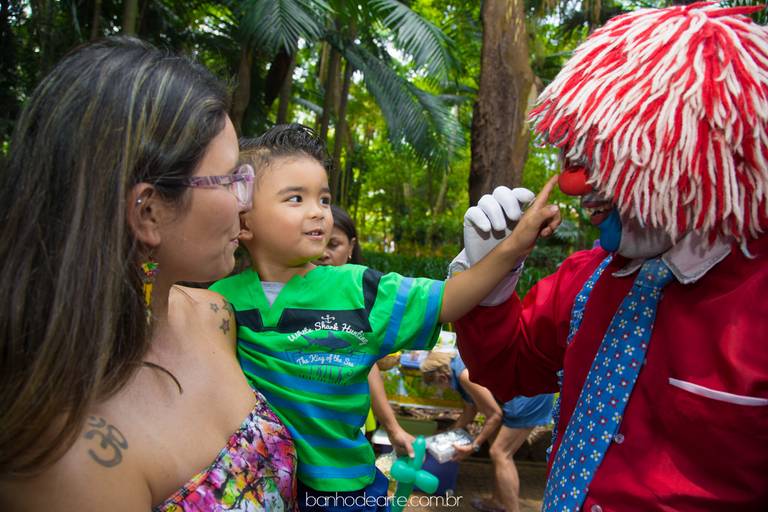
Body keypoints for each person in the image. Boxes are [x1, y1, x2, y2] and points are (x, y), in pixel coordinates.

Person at [453, 4, 768, 511]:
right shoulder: (587, 278)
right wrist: (490, 278)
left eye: (610, 156)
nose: (575, 185)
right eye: (575, 155)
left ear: (692, 148)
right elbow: (508, 371)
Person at [0, 38, 297, 510]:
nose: (247, 204)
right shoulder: (66, 460)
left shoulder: (216, 316)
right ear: (149, 212)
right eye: (230, 181)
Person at [210, 123, 560, 511]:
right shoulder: (216, 303)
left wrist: (511, 249)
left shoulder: (361, 291)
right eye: (295, 198)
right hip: (251, 489)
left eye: (324, 199)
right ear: (243, 221)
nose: (319, 213)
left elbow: (449, 299)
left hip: (342, 493)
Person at [314, 204, 416, 457]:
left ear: (351, 247)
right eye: (317, 242)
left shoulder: (365, 299)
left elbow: (366, 364)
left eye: (333, 244)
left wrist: (393, 428)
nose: (323, 254)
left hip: (346, 416)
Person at [420, 351, 553, 512]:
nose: (441, 390)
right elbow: (470, 411)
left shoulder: (464, 375)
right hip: (523, 392)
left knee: (500, 453)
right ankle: (497, 501)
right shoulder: (458, 368)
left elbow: (494, 415)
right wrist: (444, 436)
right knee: (494, 443)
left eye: (437, 386)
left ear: (442, 378)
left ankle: (512, 509)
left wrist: (474, 446)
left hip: (529, 395)